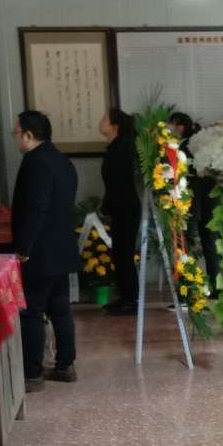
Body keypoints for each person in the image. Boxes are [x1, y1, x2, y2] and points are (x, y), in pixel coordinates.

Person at [11, 110, 80, 392]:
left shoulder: (35, 162)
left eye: (16, 133)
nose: (15, 139)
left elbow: (35, 209)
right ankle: (65, 365)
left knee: (32, 312)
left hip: (40, 251)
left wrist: (23, 248)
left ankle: (32, 373)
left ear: (28, 134)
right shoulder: (61, 160)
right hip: (62, 247)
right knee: (60, 308)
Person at [168, 112, 220, 296]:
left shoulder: (187, 147)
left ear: (179, 126)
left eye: (171, 125)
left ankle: (189, 291)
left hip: (193, 205)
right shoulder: (199, 143)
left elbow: (191, 179)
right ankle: (215, 288)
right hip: (209, 205)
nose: (170, 130)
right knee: (210, 245)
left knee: (188, 247)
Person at [100, 108, 141, 316]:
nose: (101, 122)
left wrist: (107, 206)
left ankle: (131, 300)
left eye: (104, 119)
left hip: (126, 208)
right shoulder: (115, 147)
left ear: (114, 126)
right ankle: (126, 296)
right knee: (119, 253)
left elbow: (120, 185)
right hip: (120, 208)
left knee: (124, 254)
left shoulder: (123, 148)